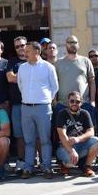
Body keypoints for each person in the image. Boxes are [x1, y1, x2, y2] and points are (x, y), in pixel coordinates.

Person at [17, 41, 58, 179]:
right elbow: (20, 85)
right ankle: (28, 168)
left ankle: (46, 167)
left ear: (37, 52)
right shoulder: (22, 68)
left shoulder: (48, 67)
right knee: (29, 140)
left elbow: (55, 87)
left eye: (27, 51)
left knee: (45, 139)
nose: (24, 53)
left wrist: (44, 100)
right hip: (26, 108)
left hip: (43, 108)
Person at [56, 91, 98, 177]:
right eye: (72, 101)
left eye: (77, 101)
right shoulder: (62, 114)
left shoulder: (85, 113)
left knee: (96, 141)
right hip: (65, 146)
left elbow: (91, 132)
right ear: (68, 101)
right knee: (71, 163)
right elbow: (62, 135)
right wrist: (71, 150)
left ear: (81, 102)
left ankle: (87, 166)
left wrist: (78, 139)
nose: (74, 103)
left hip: (80, 144)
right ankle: (64, 164)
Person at [54, 36, 95, 122]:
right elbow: (54, 83)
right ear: (66, 45)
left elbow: (92, 82)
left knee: (87, 132)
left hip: (83, 104)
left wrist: (92, 101)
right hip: (63, 105)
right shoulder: (58, 63)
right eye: (70, 42)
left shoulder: (86, 61)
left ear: (78, 45)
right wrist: (55, 101)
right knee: (62, 132)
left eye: (75, 42)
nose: (72, 45)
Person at [6, 36, 28, 173]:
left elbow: (15, 77)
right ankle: (21, 160)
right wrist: (28, 77)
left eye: (22, 45)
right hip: (17, 104)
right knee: (19, 135)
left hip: (33, 103)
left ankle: (36, 160)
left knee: (35, 135)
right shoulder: (12, 62)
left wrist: (18, 77)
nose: (20, 48)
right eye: (17, 46)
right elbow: (9, 77)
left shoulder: (34, 60)